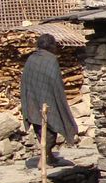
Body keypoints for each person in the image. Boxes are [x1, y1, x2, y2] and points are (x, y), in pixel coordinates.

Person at [20, 33, 78, 166]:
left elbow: (25, 82)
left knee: (41, 129)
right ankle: (43, 160)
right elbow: (55, 83)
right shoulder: (51, 60)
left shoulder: (31, 58)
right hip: (45, 101)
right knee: (50, 130)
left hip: (33, 101)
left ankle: (49, 156)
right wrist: (59, 100)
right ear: (52, 46)